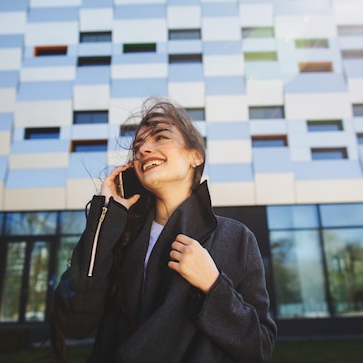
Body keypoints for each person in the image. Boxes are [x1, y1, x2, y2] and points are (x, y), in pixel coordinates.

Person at [50, 98, 276, 363]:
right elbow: (75, 323)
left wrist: (213, 286)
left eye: (160, 137)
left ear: (196, 155)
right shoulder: (120, 237)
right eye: (138, 146)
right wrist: (105, 218)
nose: (144, 149)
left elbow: (260, 347)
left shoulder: (235, 238)